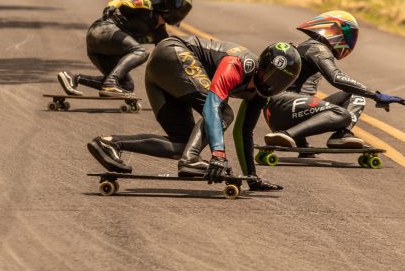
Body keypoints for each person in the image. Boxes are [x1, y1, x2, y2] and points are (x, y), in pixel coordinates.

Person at [87, 36, 301, 191]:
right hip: (173, 52)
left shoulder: (262, 95)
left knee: (183, 144)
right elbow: (212, 106)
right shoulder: (239, 64)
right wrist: (218, 155)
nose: (269, 82)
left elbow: (243, 132)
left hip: (161, 74)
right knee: (223, 113)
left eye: (279, 81)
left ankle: (109, 144)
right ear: (260, 63)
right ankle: (190, 161)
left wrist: (251, 178)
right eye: (267, 73)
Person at [263, 11, 405, 156]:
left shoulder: (310, 46)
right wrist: (375, 95)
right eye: (347, 34)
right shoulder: (318, 48)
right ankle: (286, 134)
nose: (349, 39)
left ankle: (341, 135)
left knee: (355, 96)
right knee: (342, 115)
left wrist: (303, 147)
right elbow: (336, 78)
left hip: (282, 109)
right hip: (283, 106)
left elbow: (300, 93)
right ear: (333, 30)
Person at [58, 0, 193, 98]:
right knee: (141, 51)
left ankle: (74, 78)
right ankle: (110, 84)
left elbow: (167, 59)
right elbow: (119, 2)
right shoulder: (146, 4)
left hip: (100, 49)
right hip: (102, 30)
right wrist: (110, 7)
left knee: (127, 86)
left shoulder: (160, 33)